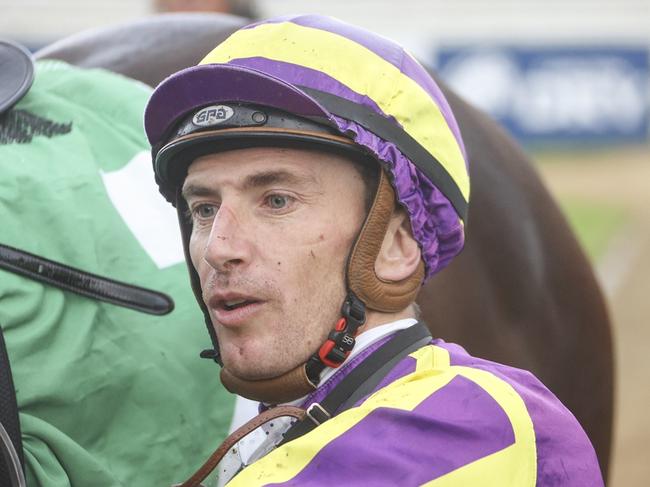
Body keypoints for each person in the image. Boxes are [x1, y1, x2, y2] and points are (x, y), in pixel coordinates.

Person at [144, 14, 603, 486]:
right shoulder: (283, 428)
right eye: (203, 209)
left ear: (395, 245)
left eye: (277, 200)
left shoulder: (478, 424)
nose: (219, 248)